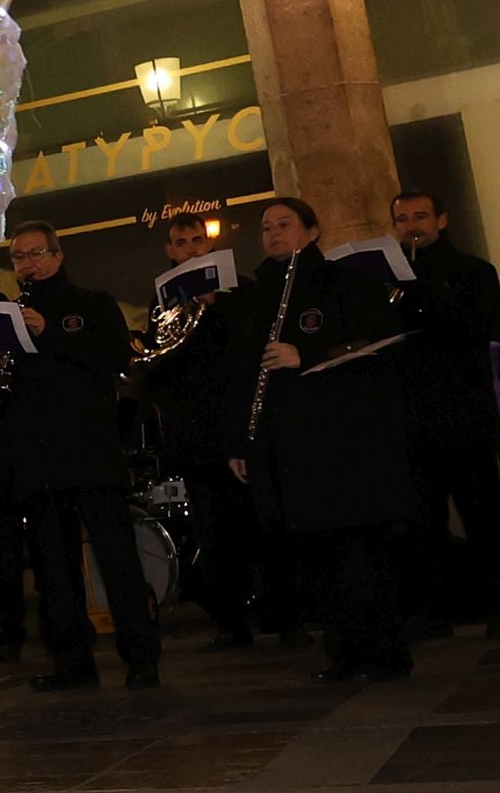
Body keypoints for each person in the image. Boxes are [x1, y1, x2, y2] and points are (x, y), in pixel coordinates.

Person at [227, 197, 413, 682]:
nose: (273, 234)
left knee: (360, 553)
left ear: (311, 231)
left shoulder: (345, 283)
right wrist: (240, 442)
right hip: (283, 446)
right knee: (315, 557)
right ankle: (344, 650)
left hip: (340, 443)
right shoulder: (256, 295)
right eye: (267, 227)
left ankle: (386, 652)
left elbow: (379, 342)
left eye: (285, 225)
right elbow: (240, 374)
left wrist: (303, 352)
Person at [0, 221, 160, 691]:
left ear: (57, 255)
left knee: (116, 558)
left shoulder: (92, 303)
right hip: (38, 456)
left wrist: (49, 332)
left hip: (88, 450)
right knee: (52, 566)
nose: (28, 263)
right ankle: (71, 660)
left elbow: (113, 357)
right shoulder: (10, 313)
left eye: (35, 254)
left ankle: (141, 656)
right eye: (19, 257)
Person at [139, 213, 265, 653]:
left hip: (242, 430)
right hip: (194, 437)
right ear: (170, 252)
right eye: (181, 242)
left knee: (260, 525)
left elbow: (247, 355)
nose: (191, 248)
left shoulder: (242, 292)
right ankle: (231, 622)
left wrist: (217, 308)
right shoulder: (163, 306)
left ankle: (279, 613)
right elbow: (154, 368)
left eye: (198, 241)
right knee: (214, 535)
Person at [390, 190, 500, 639]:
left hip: (464, 412)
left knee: (483, 515)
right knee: (423, 521)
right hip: (413, 418)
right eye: (402, 219)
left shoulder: (473, 271)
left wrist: (428, 289)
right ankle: (433, 612)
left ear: (442, 220)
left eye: (420, 216)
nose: (411, 225)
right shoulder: (389, 282)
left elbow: (478, 329)